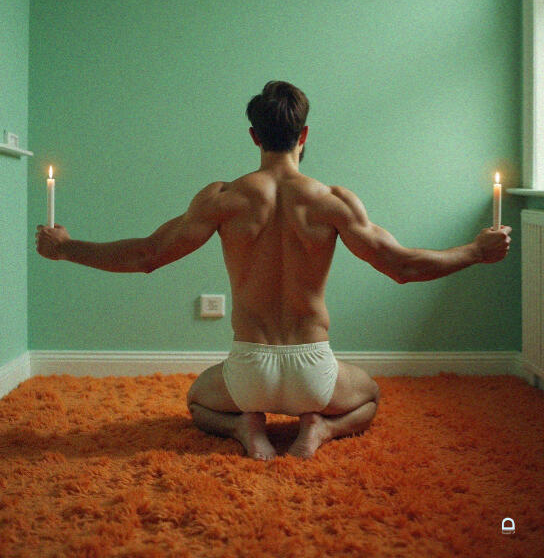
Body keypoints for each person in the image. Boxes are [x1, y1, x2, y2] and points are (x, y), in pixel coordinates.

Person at [36, 80, 512, 460]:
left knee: (197, 401)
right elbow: (403, 266)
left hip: (248, 371)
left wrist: (67, 248)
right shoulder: (332, 201)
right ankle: (320, 428)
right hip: (315, 372)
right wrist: (475, 251)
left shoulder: (224, 198)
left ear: (254, 136)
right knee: (370, 397)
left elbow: (147, 255)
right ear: (303, 135)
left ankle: (244, 427)